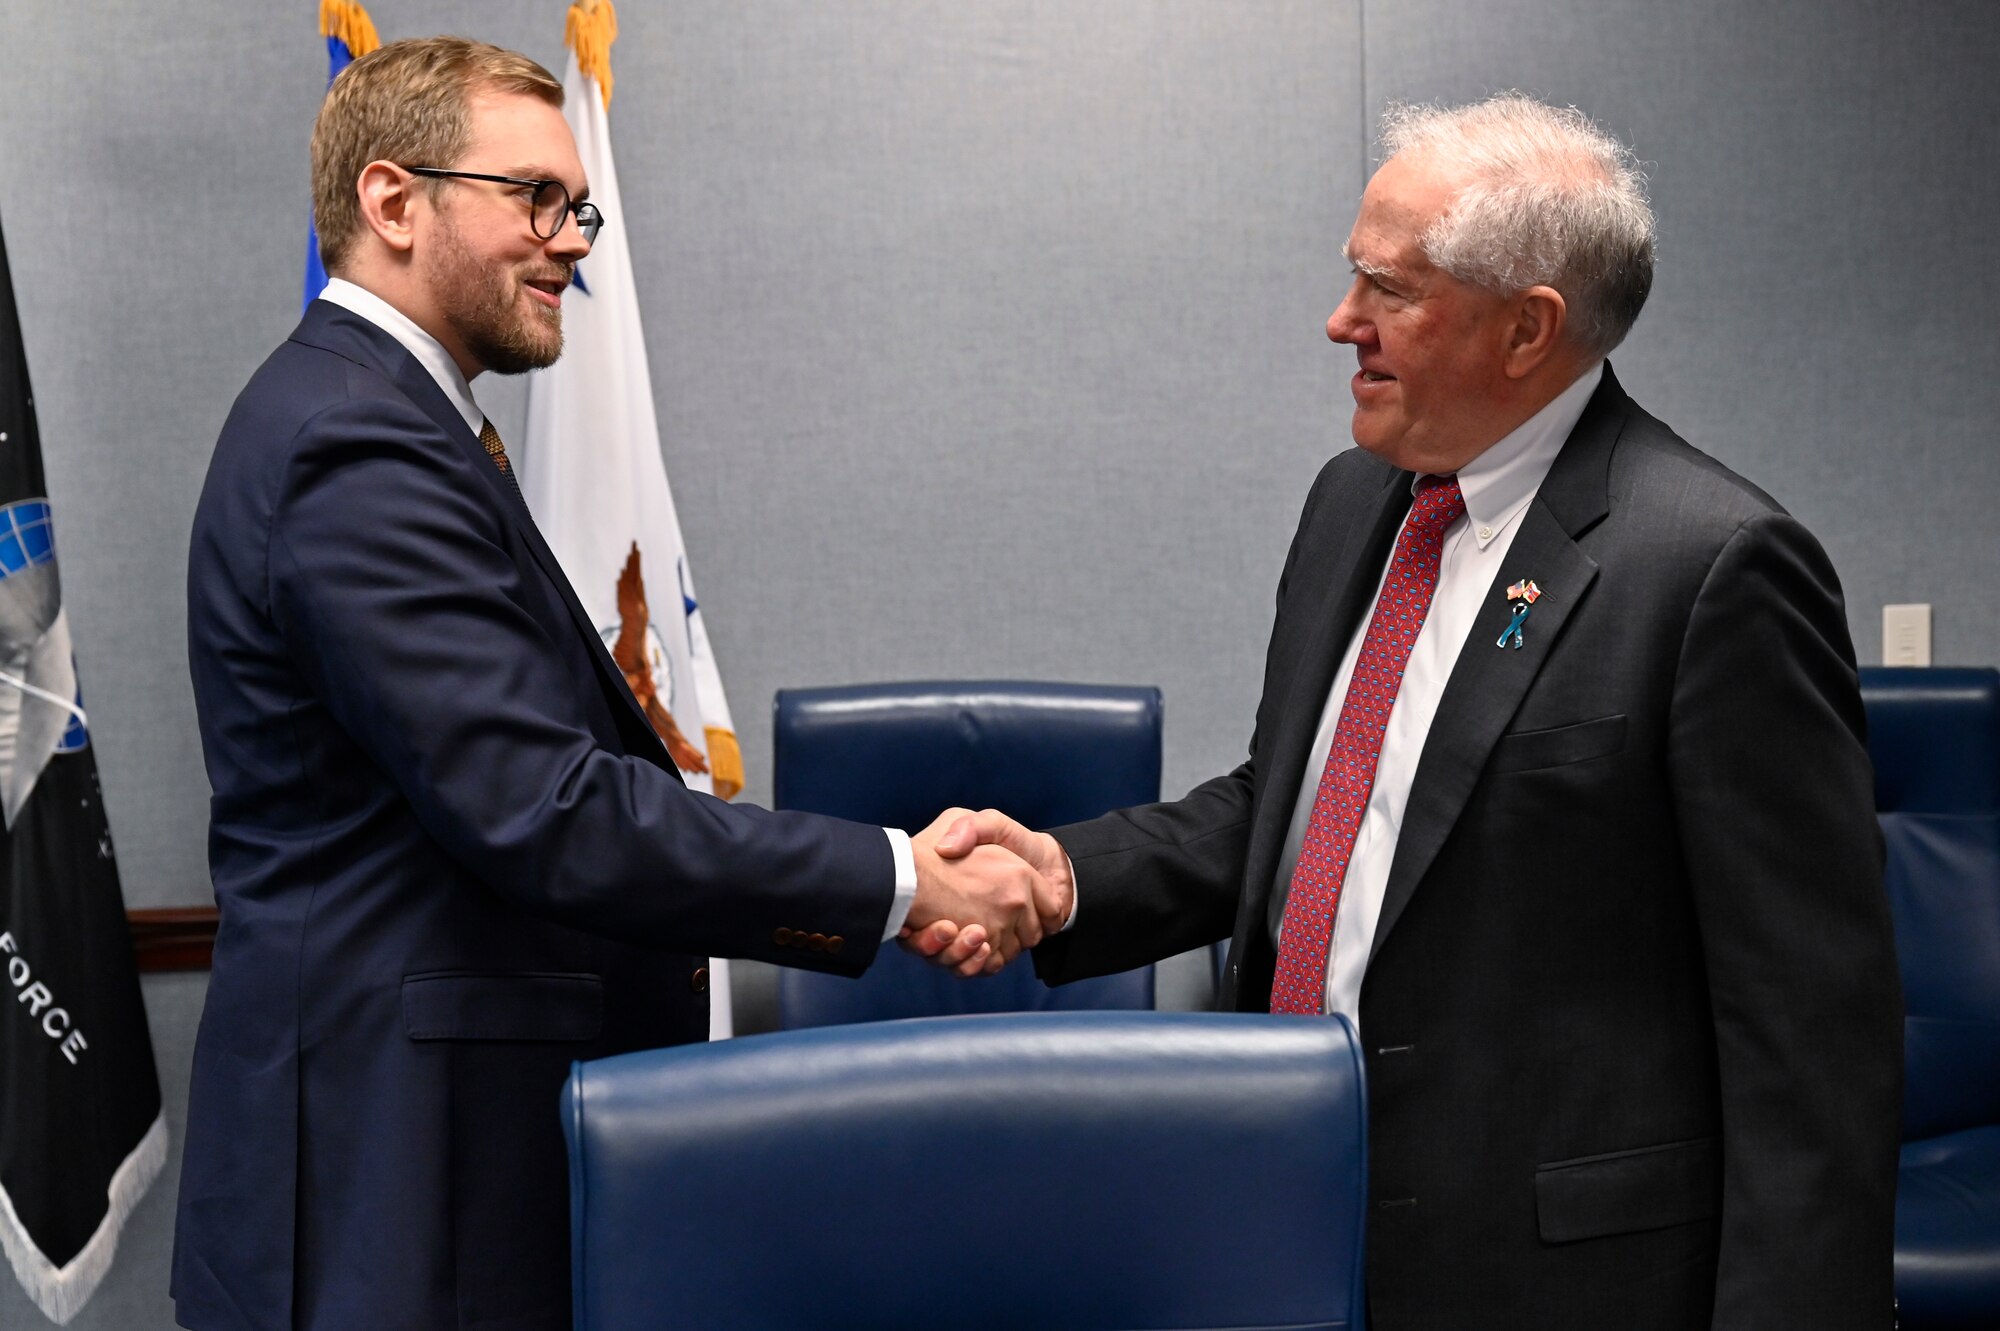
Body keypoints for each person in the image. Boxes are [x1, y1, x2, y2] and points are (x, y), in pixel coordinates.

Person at [931, 94, 1902, 1328]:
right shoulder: (1355, 500)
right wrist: (1066, 874)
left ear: (1524, 330)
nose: (1341, 323)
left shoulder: (1712, 564)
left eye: (1386, 291)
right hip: (1287, 1207)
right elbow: (1301, 808)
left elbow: (1809, 1040)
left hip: (1548, 1276)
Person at [174, 37, 1053, 1331]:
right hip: (393, 1184)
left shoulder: (392, 422)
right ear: (392, 201)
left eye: (576, 203)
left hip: (441, 1159)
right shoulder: (351, 444)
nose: (572, 237)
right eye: (534, 196)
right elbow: (546, 809)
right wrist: (906, 879)